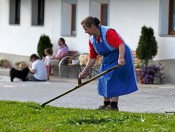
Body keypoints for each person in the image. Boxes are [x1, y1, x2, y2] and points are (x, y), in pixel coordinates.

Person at [79, 16, 138, 111]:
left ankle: (114, 106)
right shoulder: (92, 40)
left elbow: (121, 44)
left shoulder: (108, 32)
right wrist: (85, 71)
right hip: (107, 58)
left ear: (93, 26)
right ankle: (106, 104)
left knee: (113, 78)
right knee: (102, 78)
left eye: (86, 29)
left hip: (120, 54)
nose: (85, 31)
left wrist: (121, 58)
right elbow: (92, 58)